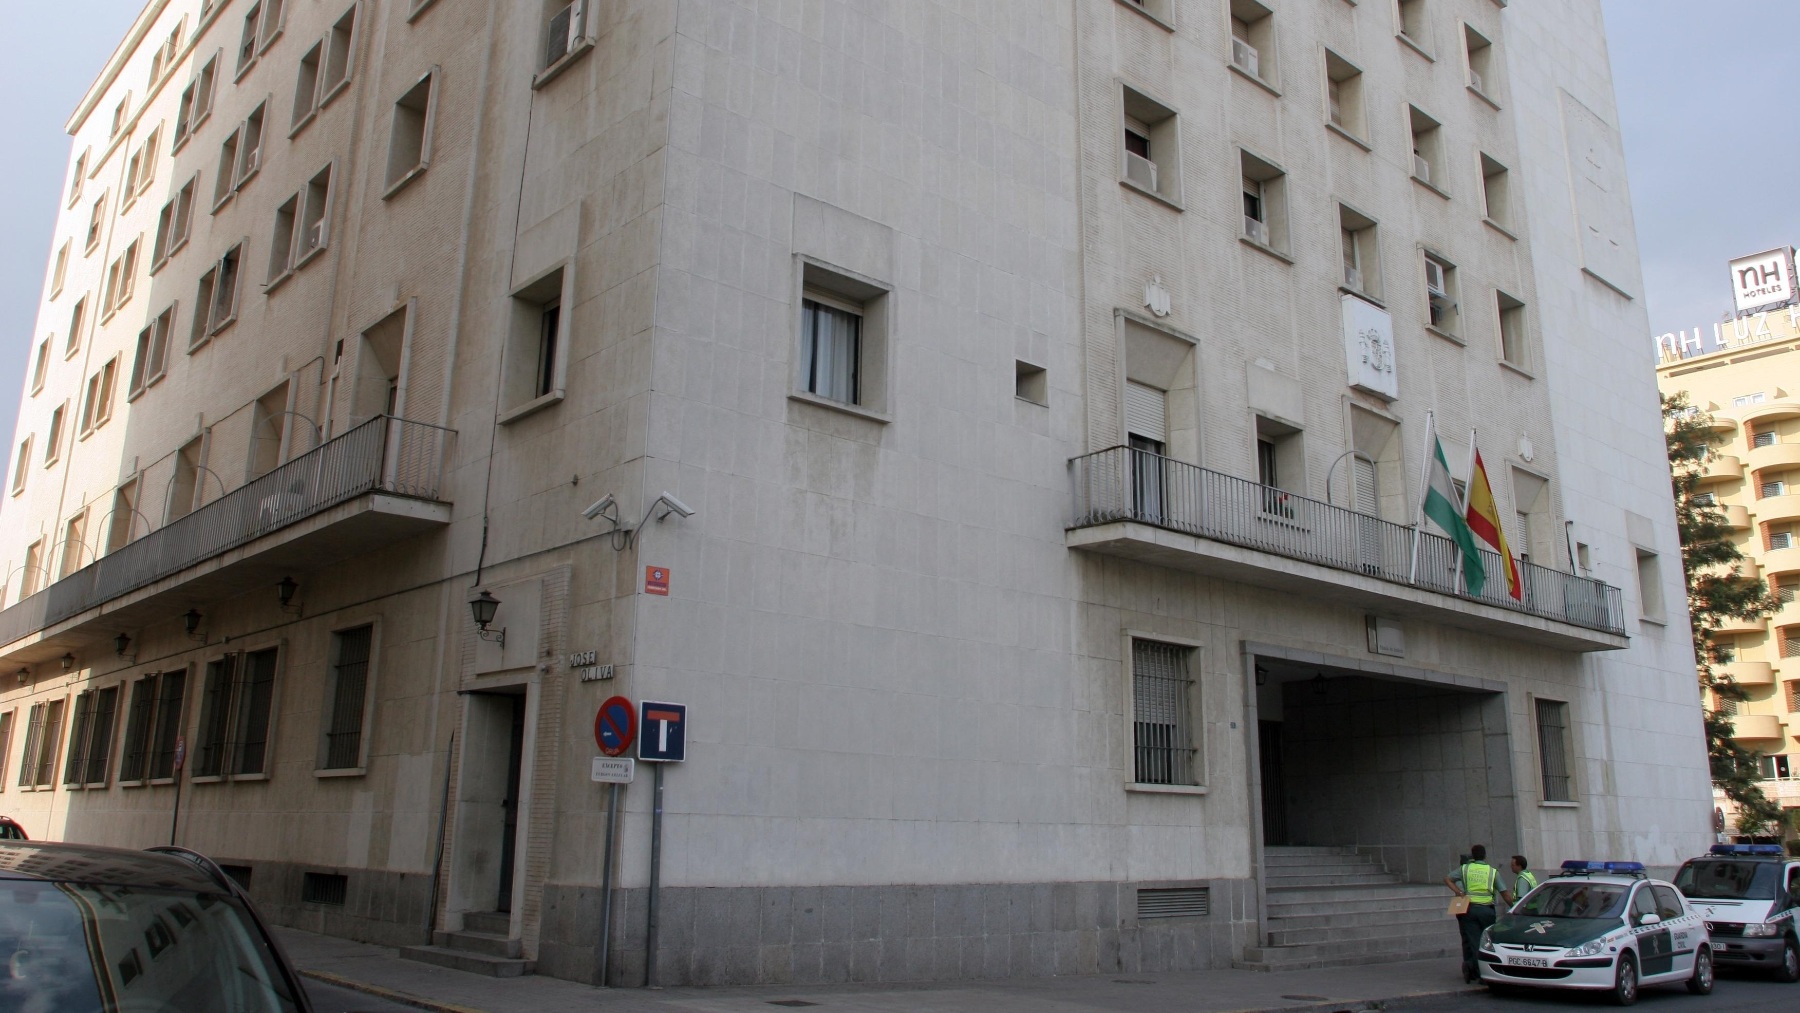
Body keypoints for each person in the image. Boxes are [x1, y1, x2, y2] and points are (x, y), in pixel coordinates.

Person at [1444, 844, 1502, 984]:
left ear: (1472, 856)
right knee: (1487, 941)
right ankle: (1485, 971)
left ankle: (1477, 971)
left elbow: (1447, 879)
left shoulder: (1465, 869)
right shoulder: (1492, 871)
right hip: (1487, 909)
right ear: (1485, 855)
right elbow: (1504, 891)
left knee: (1472, 941)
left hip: (1469, 908)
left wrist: (1458, 892)